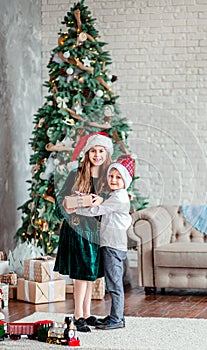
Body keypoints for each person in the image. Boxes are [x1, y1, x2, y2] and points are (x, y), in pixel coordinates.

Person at [54, 132, 113, 332]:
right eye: (93, 151)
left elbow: (113, 200)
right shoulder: (76, 174)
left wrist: (102, 200)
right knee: (80, 274)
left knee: (90, 275)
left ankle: (87, 314)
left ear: (106, 153)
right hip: (78, 230)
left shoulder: (108, 177)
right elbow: (61, 199)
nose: (97, 155)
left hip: (95, 232)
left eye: (101, 151)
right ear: (87, 153)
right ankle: (78, 315)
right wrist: (67, 205)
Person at [75, 154, 135, 330]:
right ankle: (115, 316)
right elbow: (103, 204)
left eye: (118, 177)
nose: (113, 180)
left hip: (113, 246)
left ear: (126, 180)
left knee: (114, 284)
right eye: (111, 176)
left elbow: (98, 211)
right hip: (112, 244)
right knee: (113, 282)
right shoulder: (116, 194)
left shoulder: (120, 197)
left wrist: (77, 209)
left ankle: (117, 319)